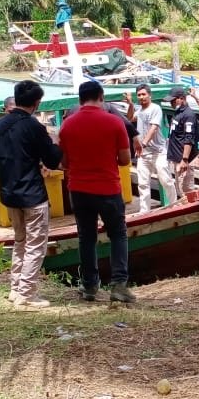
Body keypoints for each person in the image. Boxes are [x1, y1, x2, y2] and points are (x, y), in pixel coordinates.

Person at [0, 81, 62, 309]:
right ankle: (26, 294)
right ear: (37, 103)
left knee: (20, 241)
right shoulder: (34, 127)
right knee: (35, 245)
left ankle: (15, 288)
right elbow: (51, 160)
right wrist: (56, 142)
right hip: (32, 194)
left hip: (9, 193)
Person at [58, 79, 134, 303]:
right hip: (108, 188)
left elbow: (64, 163)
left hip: (79, 189)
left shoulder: (67, 125)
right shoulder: (114, 122)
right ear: (101, 97)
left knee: (86, 237)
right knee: (118, 234)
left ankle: (90, 286)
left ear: (79, 99)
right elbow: (124, 160)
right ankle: (119, 285)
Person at [134, 85, 177, 212]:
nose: (141, 97)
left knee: (166, 180)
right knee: (142, 183)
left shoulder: (155, 108)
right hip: (143, 154)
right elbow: (130, 117)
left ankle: (174, 205)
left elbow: (154, 128)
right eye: (139, 95)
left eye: (143, 94)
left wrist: (144, 143)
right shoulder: (139, 110)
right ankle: (144, 211)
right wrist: (131, 104)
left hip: (158, 152)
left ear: (149, 95)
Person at [166, 87, 199, 197]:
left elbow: (189, 138)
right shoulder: (178, 113)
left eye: (173, 100)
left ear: (182, 98)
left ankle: (191, 213)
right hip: (176, 158)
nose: (171, 103)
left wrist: (185, 159)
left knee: (187, 190)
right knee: (180, 189)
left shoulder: (188, 115)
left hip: (183, 160)